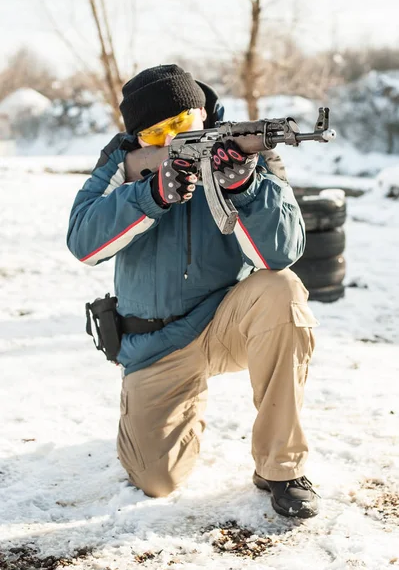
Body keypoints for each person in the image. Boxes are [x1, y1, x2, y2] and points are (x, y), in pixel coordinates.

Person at [67, 64, 320, 519]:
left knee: (281, 290)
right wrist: (151, 195)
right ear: (139, 138)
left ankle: (280, 466)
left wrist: (243, 185)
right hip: (155, 345)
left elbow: (282, 252)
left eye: (182, 124)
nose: (169, 139)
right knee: (155, 480)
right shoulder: (120, 163)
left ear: (201, 111)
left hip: (227, 325)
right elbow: (83, 242)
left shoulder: (248, 154)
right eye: (156, 133)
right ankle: (171, 412)